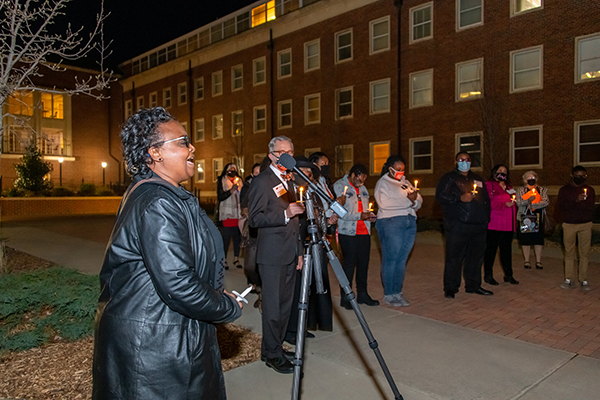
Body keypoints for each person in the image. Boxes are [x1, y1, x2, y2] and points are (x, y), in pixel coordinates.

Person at [92, 108, 242, 400]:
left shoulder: (165, 195)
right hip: (154, 351)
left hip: (167, 336)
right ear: (155, 153)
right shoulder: (157, 202)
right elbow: (178, 285)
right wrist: (226, 306)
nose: (192, 147)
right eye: (183, 141)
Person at [248, 135, 305, 374]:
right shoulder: (263, 181)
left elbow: (296, 222)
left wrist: (299, 252)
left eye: (291, 152)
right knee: (272, 308)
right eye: (284, 152)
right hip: (271, 256)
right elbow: (254, 218)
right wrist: (284, 214)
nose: (289, 156)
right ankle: (272, 354)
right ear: (272, 155)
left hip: (290, 253)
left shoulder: (290, 180)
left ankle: (275, 348)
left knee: (284, 306)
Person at [285, 156, 338, 344]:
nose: (307, 177)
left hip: (315, 245)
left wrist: (328, 225)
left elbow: (318, 217)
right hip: (297, 248)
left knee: (312, 288)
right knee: (296, 290)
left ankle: (305, 324)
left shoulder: (312, 194)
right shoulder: (287, 193)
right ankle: (291, 330)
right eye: (304, 173)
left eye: (310, 174)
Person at [436, 152, 492, 299]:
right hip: (458, 225)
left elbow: (486, 200)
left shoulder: (477, 179)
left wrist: (486, 218)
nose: (465, 162)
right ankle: (451, 287)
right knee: (454, 257)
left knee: (475, 257)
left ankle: (473, 285)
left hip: (478, 225)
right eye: (461, 160)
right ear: (456, 162)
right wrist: (459, 198)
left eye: (467, 160)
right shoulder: (450, 178)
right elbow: (441, 196)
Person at [374, 155, 422, 306]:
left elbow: (419, 201)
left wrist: (414, 201)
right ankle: (389, 294)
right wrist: (409, 201)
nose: (401, 172)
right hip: (391, 222)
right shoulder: (383, 183)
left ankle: (398, 292)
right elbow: (385, 203)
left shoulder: (406, 182)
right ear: (390, 168)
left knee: (401, 260)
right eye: (398, 169)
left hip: (409, 222)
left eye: (403, 169)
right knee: (391, 259)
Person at [333, 163, 378, 309]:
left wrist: (369, 215)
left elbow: (365, 208)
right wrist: (360, 215)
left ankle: (363, 294)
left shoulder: (363, 189)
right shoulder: (339, 186)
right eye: (360, 179)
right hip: (348, 231)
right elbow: (339, 212)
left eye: (364, 180)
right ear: (353, 175)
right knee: (349, 264)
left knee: (363, 264)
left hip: (363, 231)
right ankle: (346, 296)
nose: (362, 183)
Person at [558, 166, 596, 290]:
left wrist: (580, 204)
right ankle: (568, 279)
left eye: (583, 176)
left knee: (584, 253)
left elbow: (590, 207)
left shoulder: (589, 190)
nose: (581, 178)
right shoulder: (565, 190)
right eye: (578, 175)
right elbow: (562, 207)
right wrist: (576, 201)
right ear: (572, 175)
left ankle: (583, 280)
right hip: (569, 224)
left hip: (585, 224)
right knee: (569, 252)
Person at [483, 164, 519, 285]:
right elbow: (487, 202)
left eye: (505, 171)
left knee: (506, 250)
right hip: (495, 222)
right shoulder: (489, 185)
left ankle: (508, 274)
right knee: (491, 250)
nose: (502, 173)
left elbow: (513, 200)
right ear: (494, 173)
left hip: (508, 223)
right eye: (500, 171)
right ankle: (488, 275)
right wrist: (503, 205)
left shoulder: (509, 187)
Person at [515, 170, 549, 270]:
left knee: (538, 239)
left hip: (538, 216)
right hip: (525, 217)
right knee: (526, 239)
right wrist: (528, 201)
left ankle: (538, 261)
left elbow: (546, 202)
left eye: (533, 178)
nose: (531, 180)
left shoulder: (542, 190)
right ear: (525, 180)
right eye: (528, 178)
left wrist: (533, 205)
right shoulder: (521, 190)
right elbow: (519, 202)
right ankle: (527, 260)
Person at [240, 163, 262, 308]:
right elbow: (244, 206)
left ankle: (263, 296)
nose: (258, 175)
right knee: (249, 266)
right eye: (255, 173)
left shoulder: (270, 187)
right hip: (252, 232)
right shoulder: (250, 189)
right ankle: (259, 288)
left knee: (264, 266)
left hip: (267, 232)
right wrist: (250, 215)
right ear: (252, 175)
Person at [217, 163, 242, 269]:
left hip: (237, 213)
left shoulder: (239, 181)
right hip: (227, 213)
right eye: (230, 169)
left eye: (234, 169)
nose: (232, 170)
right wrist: (230, 191)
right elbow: (220, 196)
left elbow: (243, 194)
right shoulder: (222, 180)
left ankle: (236, 258)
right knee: (226, 238)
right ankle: (224, 259)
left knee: (237, 237)